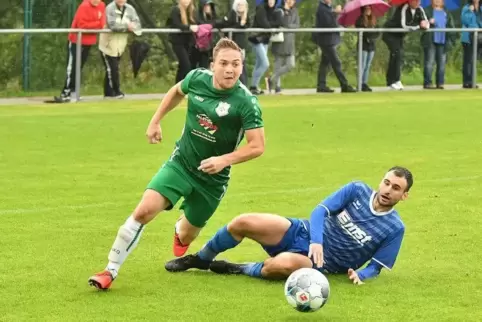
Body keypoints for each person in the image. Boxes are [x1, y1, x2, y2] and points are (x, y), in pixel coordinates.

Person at [88, 38, 265, 290]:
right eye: (224, 63)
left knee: (185, 237)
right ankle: (109, 270)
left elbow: (257, 145)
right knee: (143, 212)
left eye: (236, 64)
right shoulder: (196, 79)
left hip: (212, 181)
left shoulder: (246, 102)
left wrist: (223, 160)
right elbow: (176, 91)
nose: (230, 69)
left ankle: (181, 227)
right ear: (212, 64)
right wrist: (155, 121)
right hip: (181, 164)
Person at [165, 166, 413, 285]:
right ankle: (200, 259)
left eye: (396, 188)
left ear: (404, 196)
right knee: (242, 222)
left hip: (322, 263)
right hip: (303, 232)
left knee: (280, 265)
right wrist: (316, 240)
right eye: (387, 183)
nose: (388, 190)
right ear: (381, 181)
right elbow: (320, 211)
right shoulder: (357, 190)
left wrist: (361, 274)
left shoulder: (394, 228)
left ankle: (238, 268)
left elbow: (377, 267)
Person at [54, 0, 106, 103]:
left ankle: (74, 92)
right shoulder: (84, 6)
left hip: (89, 42)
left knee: (79, 67)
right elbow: (82, 25)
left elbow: (103, 23)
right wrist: (97, 24)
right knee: (72, 67)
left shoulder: (102, 5)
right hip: (76, 41)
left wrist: (97, 25)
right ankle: (66, 92)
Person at [382, 0, 429, 90]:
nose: (417, 2)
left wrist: (425, 25)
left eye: (418, 1)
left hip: (399, 36)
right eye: (414, 1)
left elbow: (426, 23)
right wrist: (419, 26)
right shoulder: (403, 8)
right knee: (397, 53)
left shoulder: (420, 9)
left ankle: (393, 80)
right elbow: (404, 25)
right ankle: (394, 80)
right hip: (390, 33)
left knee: (397, 56)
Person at [99, 0, 142, 98]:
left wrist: (133, 27)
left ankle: (108, 93)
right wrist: (128, 27)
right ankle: (116, 91)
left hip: (120, 46)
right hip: (108, 45)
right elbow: (113, 25)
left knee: (111, 69)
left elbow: (138, 25)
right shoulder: (110, 8)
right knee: (113, 69)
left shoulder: (130, 9)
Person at [311, 0, 356, 93]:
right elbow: (329, 23)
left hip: (330, 39)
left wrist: (339, 15)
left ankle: (321, 85)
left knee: (325, 63)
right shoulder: (322, 9)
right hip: (326, 40)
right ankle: (344, 85)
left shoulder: (328, 8)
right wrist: (335, 13)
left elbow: (336, 22)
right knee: (336, 62)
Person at [248, 0, 283, 95]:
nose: (271, 1)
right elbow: (265, 24)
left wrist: (273, 24)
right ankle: (253, 86)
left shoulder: (275, 10)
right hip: (257, 39)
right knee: (265, 63)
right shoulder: (261, 9)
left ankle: (254, 87)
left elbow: (280, 22)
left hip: (265, 39)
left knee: (259, 63)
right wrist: (273, 24)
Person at [420, 0, 455, 90]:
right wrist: (428, 21)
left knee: (441, 63)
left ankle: (440, 83)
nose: (438, 1)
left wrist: (451, 40)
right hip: (430, 40)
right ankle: (427, 83)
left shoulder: (446, 12)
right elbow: (421, 22)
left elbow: (451, 26)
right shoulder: (426, 10)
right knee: (429, 62)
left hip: (442, 40)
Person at [269, 0, 300, 94]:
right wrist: (286, 13)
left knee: (291, 64)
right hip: (280, 40)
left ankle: (272, 78)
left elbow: (297, 25)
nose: (291, 1)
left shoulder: (295, 11)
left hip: (290, 41)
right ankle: (277, 87)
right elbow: (283, 23)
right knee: (277, 64)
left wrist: (288, 27)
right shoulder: (279, 10)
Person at [216, 0, 250, 85]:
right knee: (236, 65)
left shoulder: (245, 16)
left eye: (242, 5)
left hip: (241, 45)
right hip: (233, 45)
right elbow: (229, 25)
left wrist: (242, 24)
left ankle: (243, 86)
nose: (240, 7)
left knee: (242, 66)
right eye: (239, 5)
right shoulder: (232, 14)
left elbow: (247, 25)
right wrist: (240, 24)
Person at [166, 0, 198, 84]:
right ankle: (187, 87)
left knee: (182, 66)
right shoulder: (175, 10)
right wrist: (189, 27)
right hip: (178, 42)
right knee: (186, 65)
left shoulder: (191, 11)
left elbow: (197, 22)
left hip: (187, 42)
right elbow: (177, 24)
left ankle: (177, 87)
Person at [355, 6, 380, 92]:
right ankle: (359, 83)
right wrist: (369, 35)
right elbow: (363, 32)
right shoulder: (359, 20)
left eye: (369, 9)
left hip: (371, 46)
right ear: (363, 10)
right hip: (363, 45)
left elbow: (377, 32)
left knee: (368, 65)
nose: (368, 10)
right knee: (362, 64)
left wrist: (372, 37)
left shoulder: (373, 20)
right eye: (366, 9)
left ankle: (364, 83)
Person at [460, 0, 482, 89]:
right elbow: (465, 21)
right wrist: (470, 11)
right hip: (469, 37)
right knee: (468, 60)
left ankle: (472, 81)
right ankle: (467, 82)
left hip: (480, 36)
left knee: (474, 60)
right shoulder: (466, 8)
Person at [191, 0, 218, 69]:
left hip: (206, 48)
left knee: (204, 67)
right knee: (192, 67)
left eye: (209, 5)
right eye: (206, 5)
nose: (207, 7)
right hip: (196, 46)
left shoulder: (213, 17)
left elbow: (217, 23)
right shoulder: (196, 16)